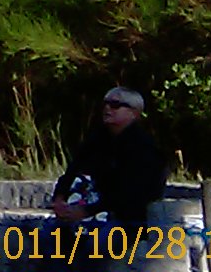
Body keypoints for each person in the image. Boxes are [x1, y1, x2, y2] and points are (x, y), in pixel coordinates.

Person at [49, 85, 165, 255]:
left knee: (96, 245)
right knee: (48, 236)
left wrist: (85, 211)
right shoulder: (97, 139)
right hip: (91, 211)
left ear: (134, 113)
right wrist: (60, 198)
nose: (107, 108)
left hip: (127, 219)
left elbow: (131, 194)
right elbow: (73, 171)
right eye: (106, 104)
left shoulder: (144, 148)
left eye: (116, 105)